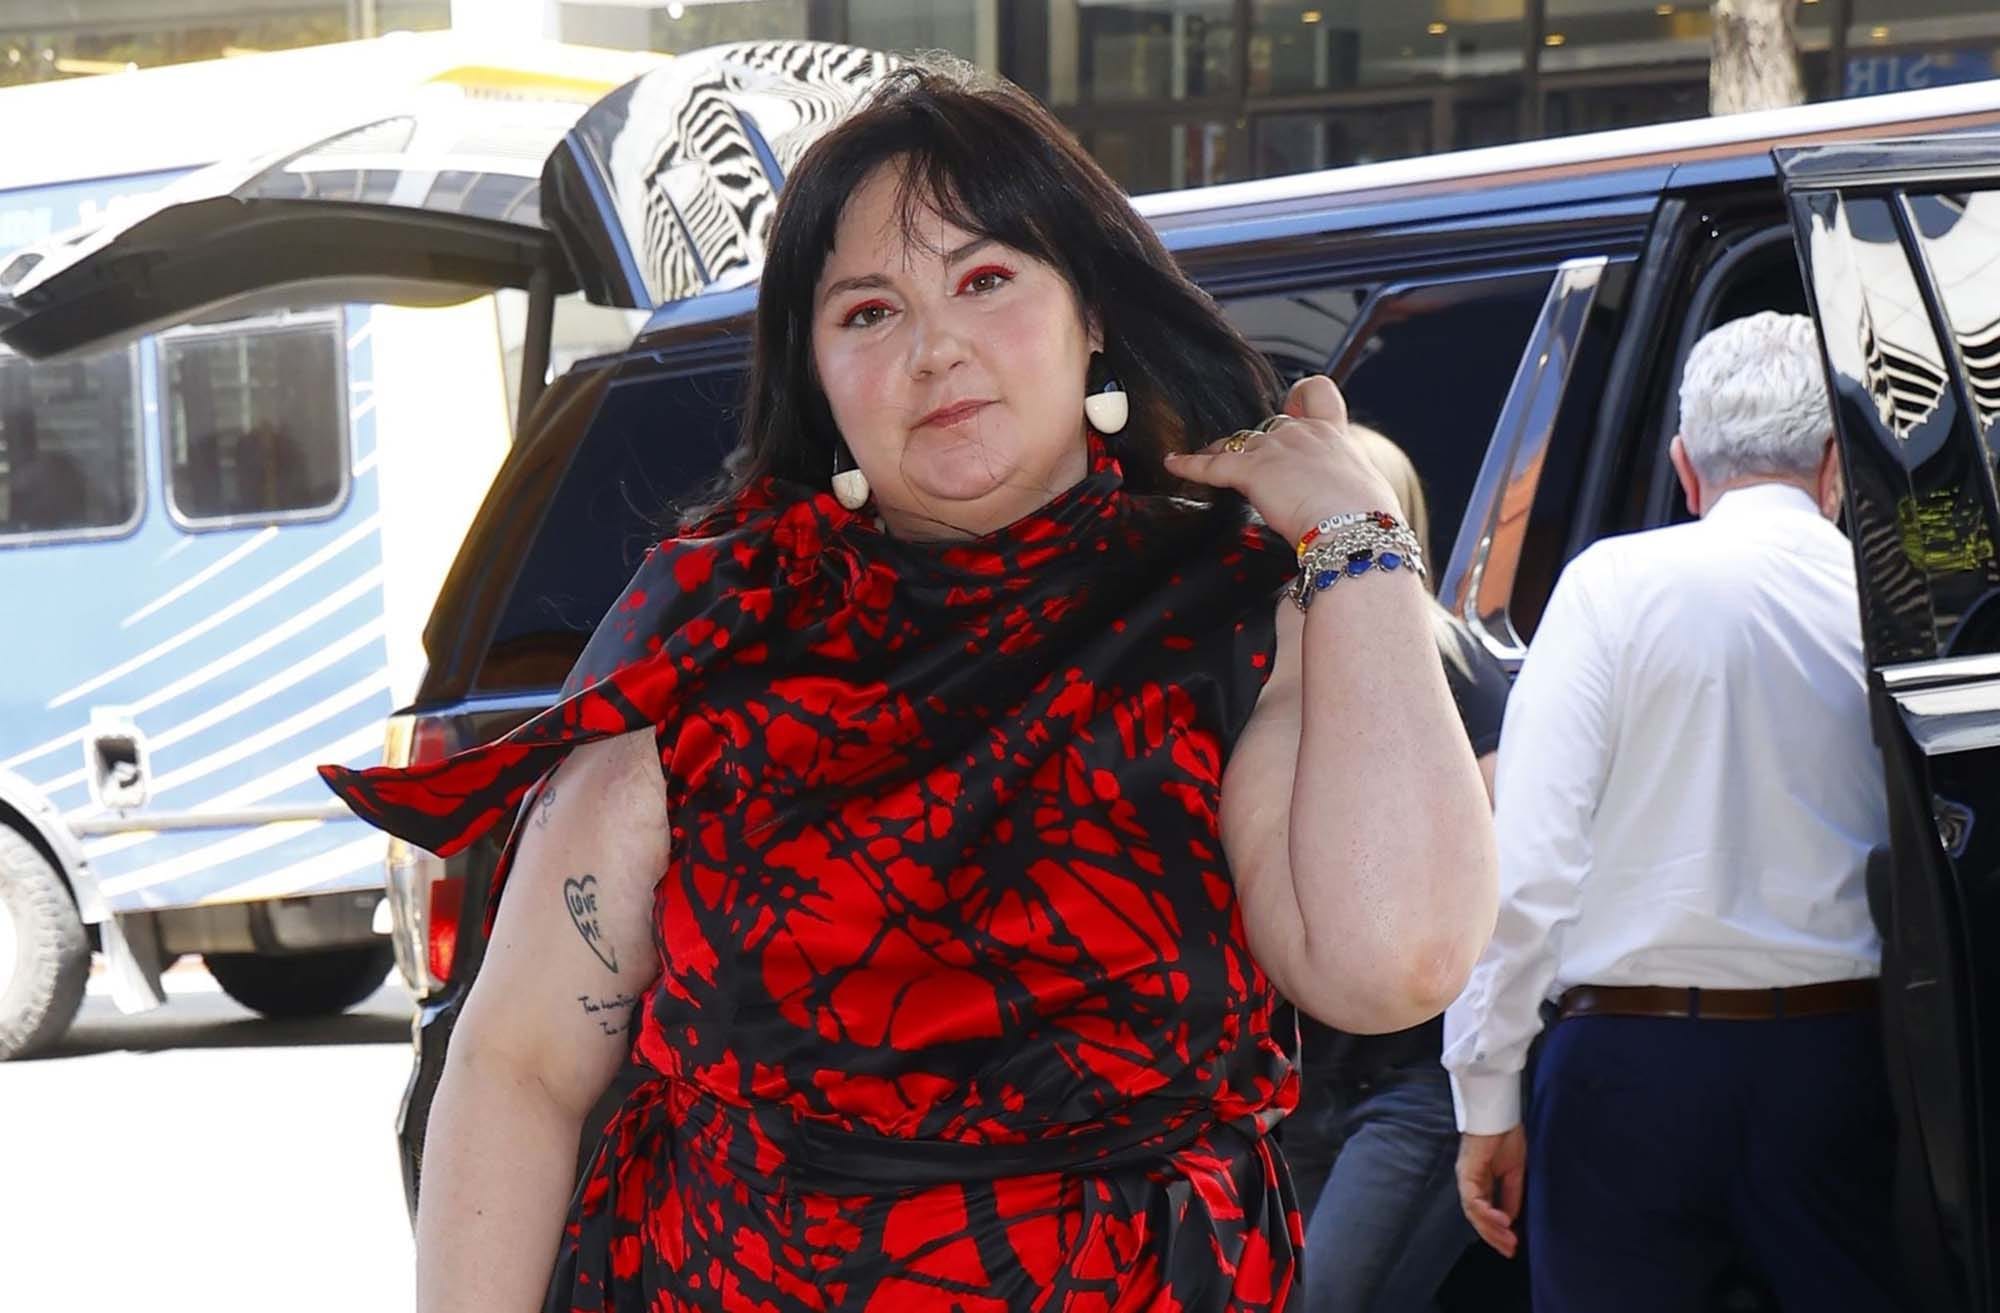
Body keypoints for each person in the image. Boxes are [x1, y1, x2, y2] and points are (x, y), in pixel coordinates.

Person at [322, 59, 1496, 1313]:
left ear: (1092, 313)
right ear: (816, 372)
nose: (935, 348)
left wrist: (1359, 540)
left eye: (984, 280)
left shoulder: (1235, 614)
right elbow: (519, 1063)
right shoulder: (716, 632)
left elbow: (1397, 959)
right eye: (868, 311)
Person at [1443, 311, 1905, 1312]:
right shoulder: (1894, 604)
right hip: (1838, 1064)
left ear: (1685, 468)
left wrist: (1484, 1090)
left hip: (1623, 1068)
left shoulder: (1609, 587)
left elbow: (1525, 866)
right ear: (1836, 464)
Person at [1282, 425, 1510, 1312]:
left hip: (1416, 1076)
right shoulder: (1275, 664)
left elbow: (1506, 868)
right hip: (1303, 1075)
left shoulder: (1453, 668)